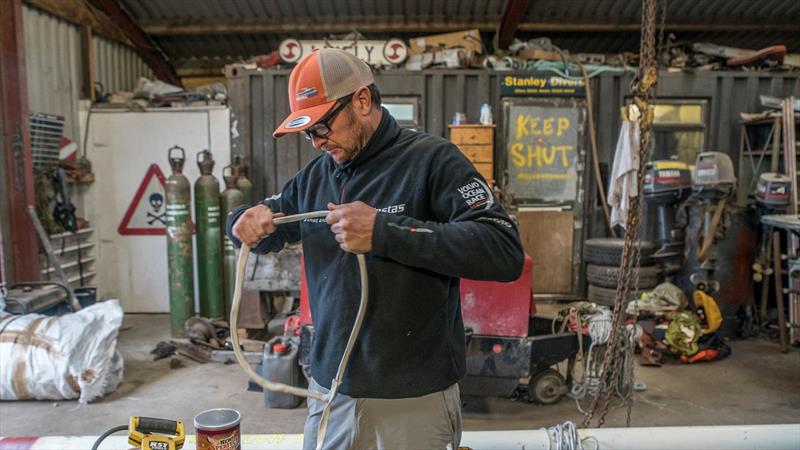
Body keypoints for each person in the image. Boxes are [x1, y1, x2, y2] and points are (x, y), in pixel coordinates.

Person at [227, 48, 524, 450]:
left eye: (323, 125)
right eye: (307, 131)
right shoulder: (316, 176)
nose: (316, 142)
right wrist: (243, 219)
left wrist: (385, 231)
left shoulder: (432, 161)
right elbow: (266, 223)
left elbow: (503, 249)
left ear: (362, 100)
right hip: (331, 391)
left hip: (413, 399)